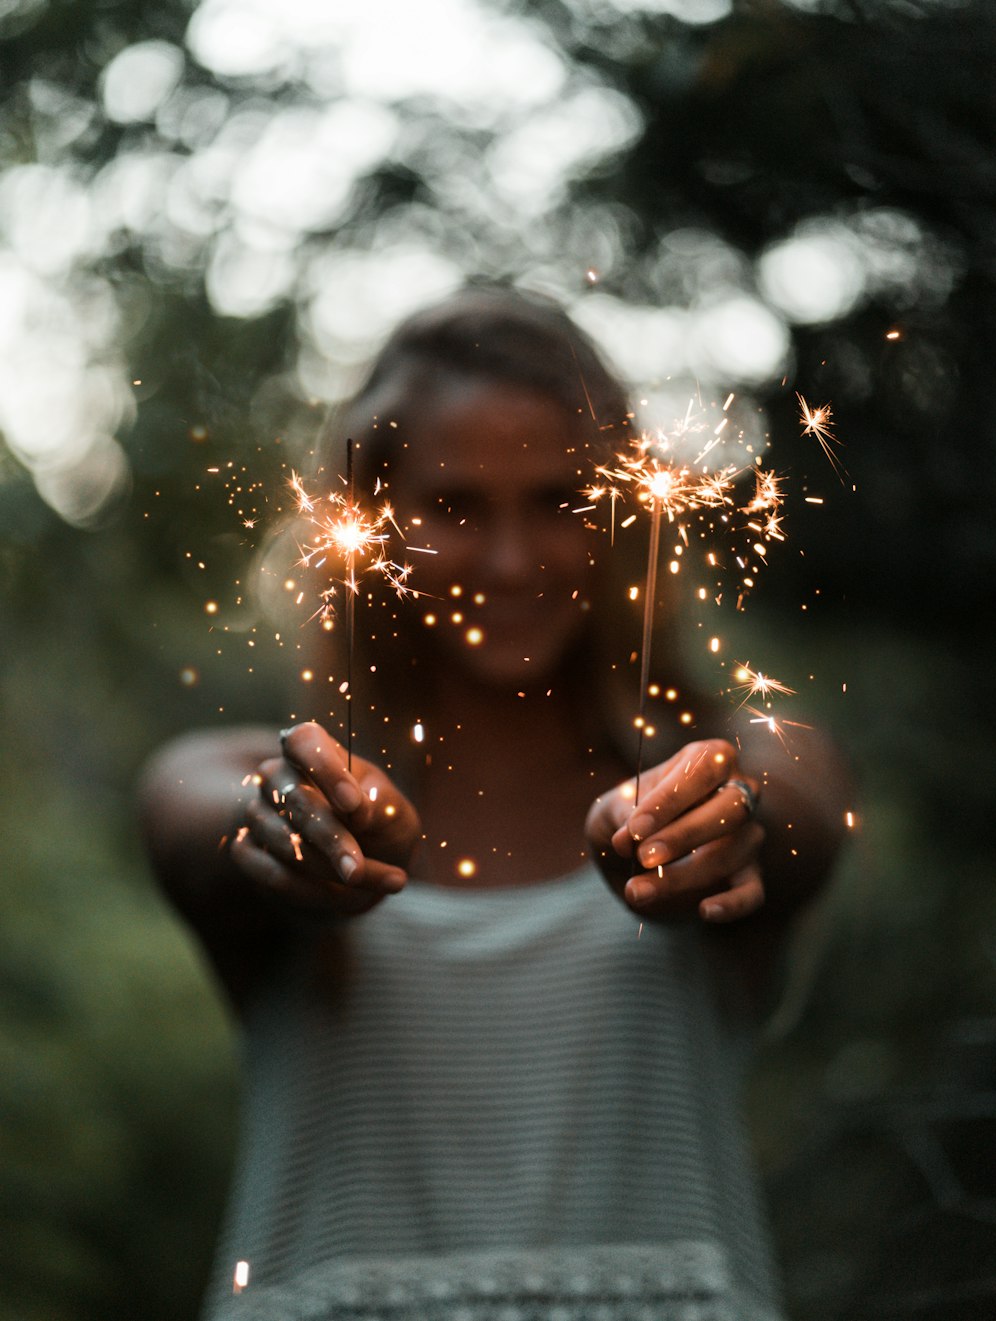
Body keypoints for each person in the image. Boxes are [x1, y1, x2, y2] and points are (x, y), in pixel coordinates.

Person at [139, 285, 851, 1321]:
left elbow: (803, 802)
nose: (512, 560)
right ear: (372, 522)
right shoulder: (269, 783)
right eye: (456, 507)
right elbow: (192, 812)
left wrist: (722, 812)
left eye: (558, 502)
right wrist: (289, 830)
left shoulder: (727, 761)